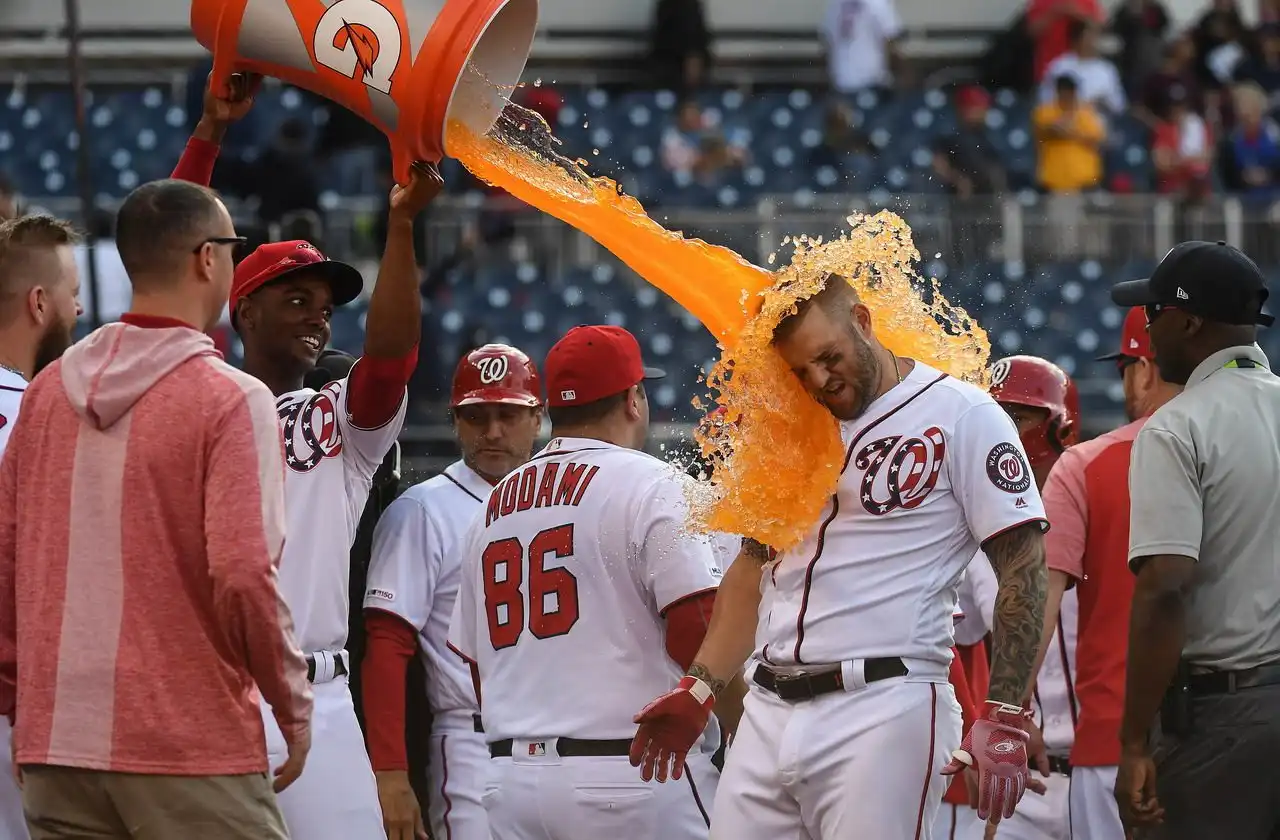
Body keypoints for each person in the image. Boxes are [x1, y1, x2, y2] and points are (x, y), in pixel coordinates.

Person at [630, 276, 1051, 839]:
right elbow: (751, 571)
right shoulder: (789, 427)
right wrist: (700, 688)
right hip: (767, 706)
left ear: (863, 322)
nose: (819, 380)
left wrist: (1004, 713)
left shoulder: (962, 413)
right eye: (801, 371)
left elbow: (1023, 567)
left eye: (828, 358)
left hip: (883, 704)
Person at [170, 82, 444, 838]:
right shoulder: (195, 394)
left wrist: (400, 228)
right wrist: (209, 134)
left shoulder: (336, 417)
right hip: (214, 686)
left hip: (320, 690)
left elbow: (391, 359)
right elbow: (169, 259)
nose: (318, 318)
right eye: (296, 301)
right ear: (244, 310)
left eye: (325, 307)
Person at [0, 177, 312, 839]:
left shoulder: (47, 391)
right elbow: (243, 574)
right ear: (207, 258)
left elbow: (5, 565)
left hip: (58, 741)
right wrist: (291, 702)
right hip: (186, 744)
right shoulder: (231, 397)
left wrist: (19, 705)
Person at [447, 325, 729, 840]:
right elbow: (698, 625)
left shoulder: (491, 505)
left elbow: (477, 665)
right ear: (633, 399)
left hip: (511, 780)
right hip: (635, 770)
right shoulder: (654, 483)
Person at [1108, 241, 1280, 839]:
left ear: (1188, 322)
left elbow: (1166, 588)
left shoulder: (1176, 427)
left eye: (1154, 313)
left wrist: (1133, 742)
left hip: (1224, 721)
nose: (1147, 330)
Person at [362, 344, 544, 840]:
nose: (493, 432)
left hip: (563, 743)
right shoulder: (424, 509)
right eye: (476, 416)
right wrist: (390, 773)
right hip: (473, 742)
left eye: (508, 415)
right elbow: (387, 643)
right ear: (455, 421)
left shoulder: (562, 497)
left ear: (537, 417)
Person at [1021, 308, 1181, 839]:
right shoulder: (1257, 449)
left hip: (1111, 744)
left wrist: (1006, 711)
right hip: (1237, 727)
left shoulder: (1088, 465)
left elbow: (1035, 605)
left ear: (1145, 369)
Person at [957, 355, 1082, 840]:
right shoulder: (974, 534)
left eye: (1017, 416)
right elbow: (951, 643)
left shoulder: (1111, 508)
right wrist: (986, 724)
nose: (1001, 430)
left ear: (1059, 428)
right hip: (1021, 773)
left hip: (1102, 768)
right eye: (994, 414)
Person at [0, 213, 84, 839]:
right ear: (38, 303)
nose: (78, 310)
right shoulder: (46, 421)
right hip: (22, 701)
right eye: (71, 294)